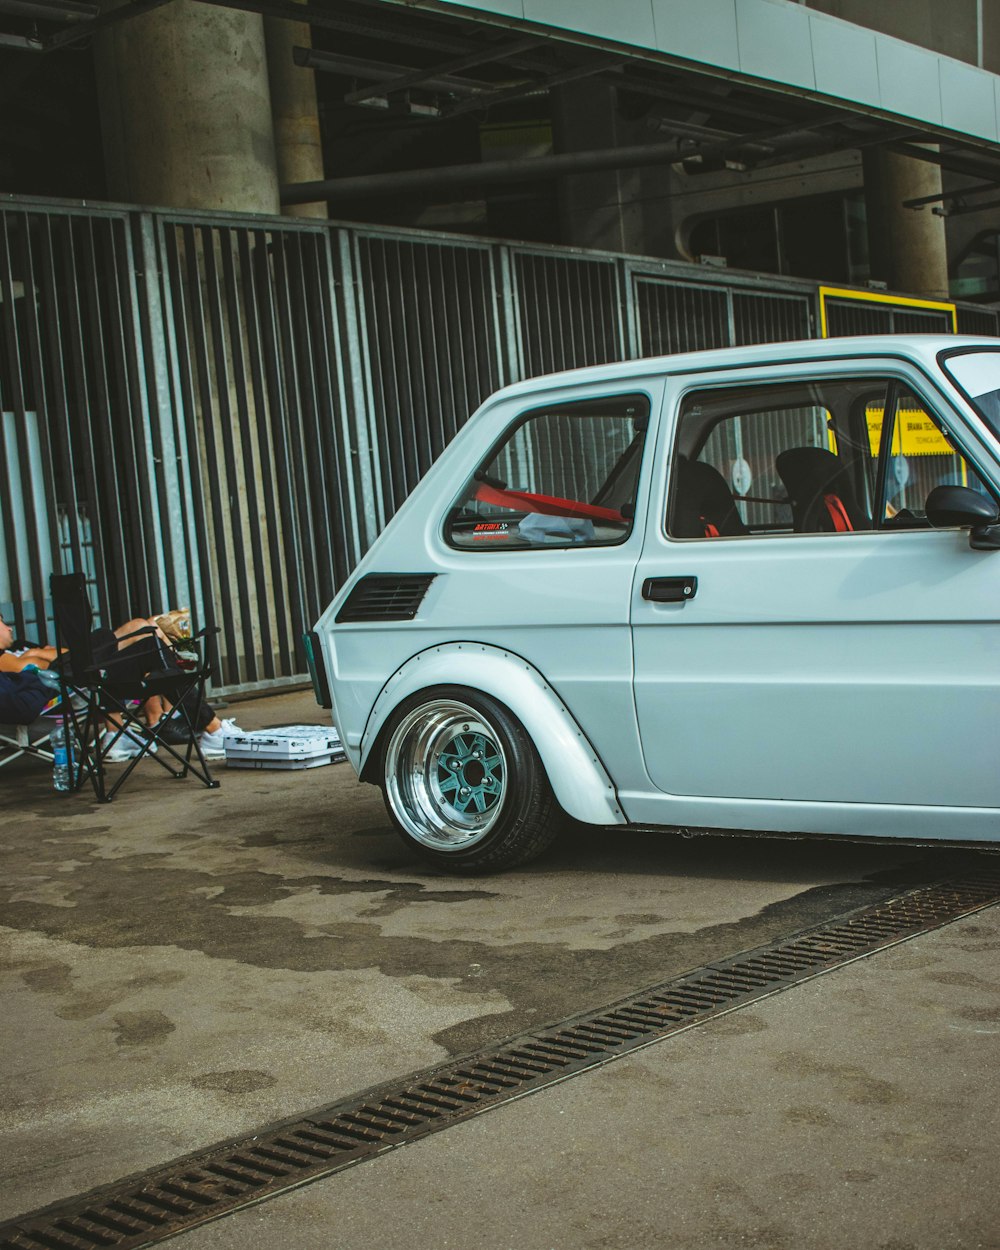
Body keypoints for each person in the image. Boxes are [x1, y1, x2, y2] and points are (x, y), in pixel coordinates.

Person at [0, 610, 238, 762]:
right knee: (139, 635)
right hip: (69, 683)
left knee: (146, 638)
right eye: (2, 623)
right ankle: (208, 727)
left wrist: (39, 652)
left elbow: (51, 656)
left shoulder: (18, 647)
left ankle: (120, 734)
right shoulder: (3, 658)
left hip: (78, 672)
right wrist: (38, 654)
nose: (9, 627)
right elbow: (39, 672)